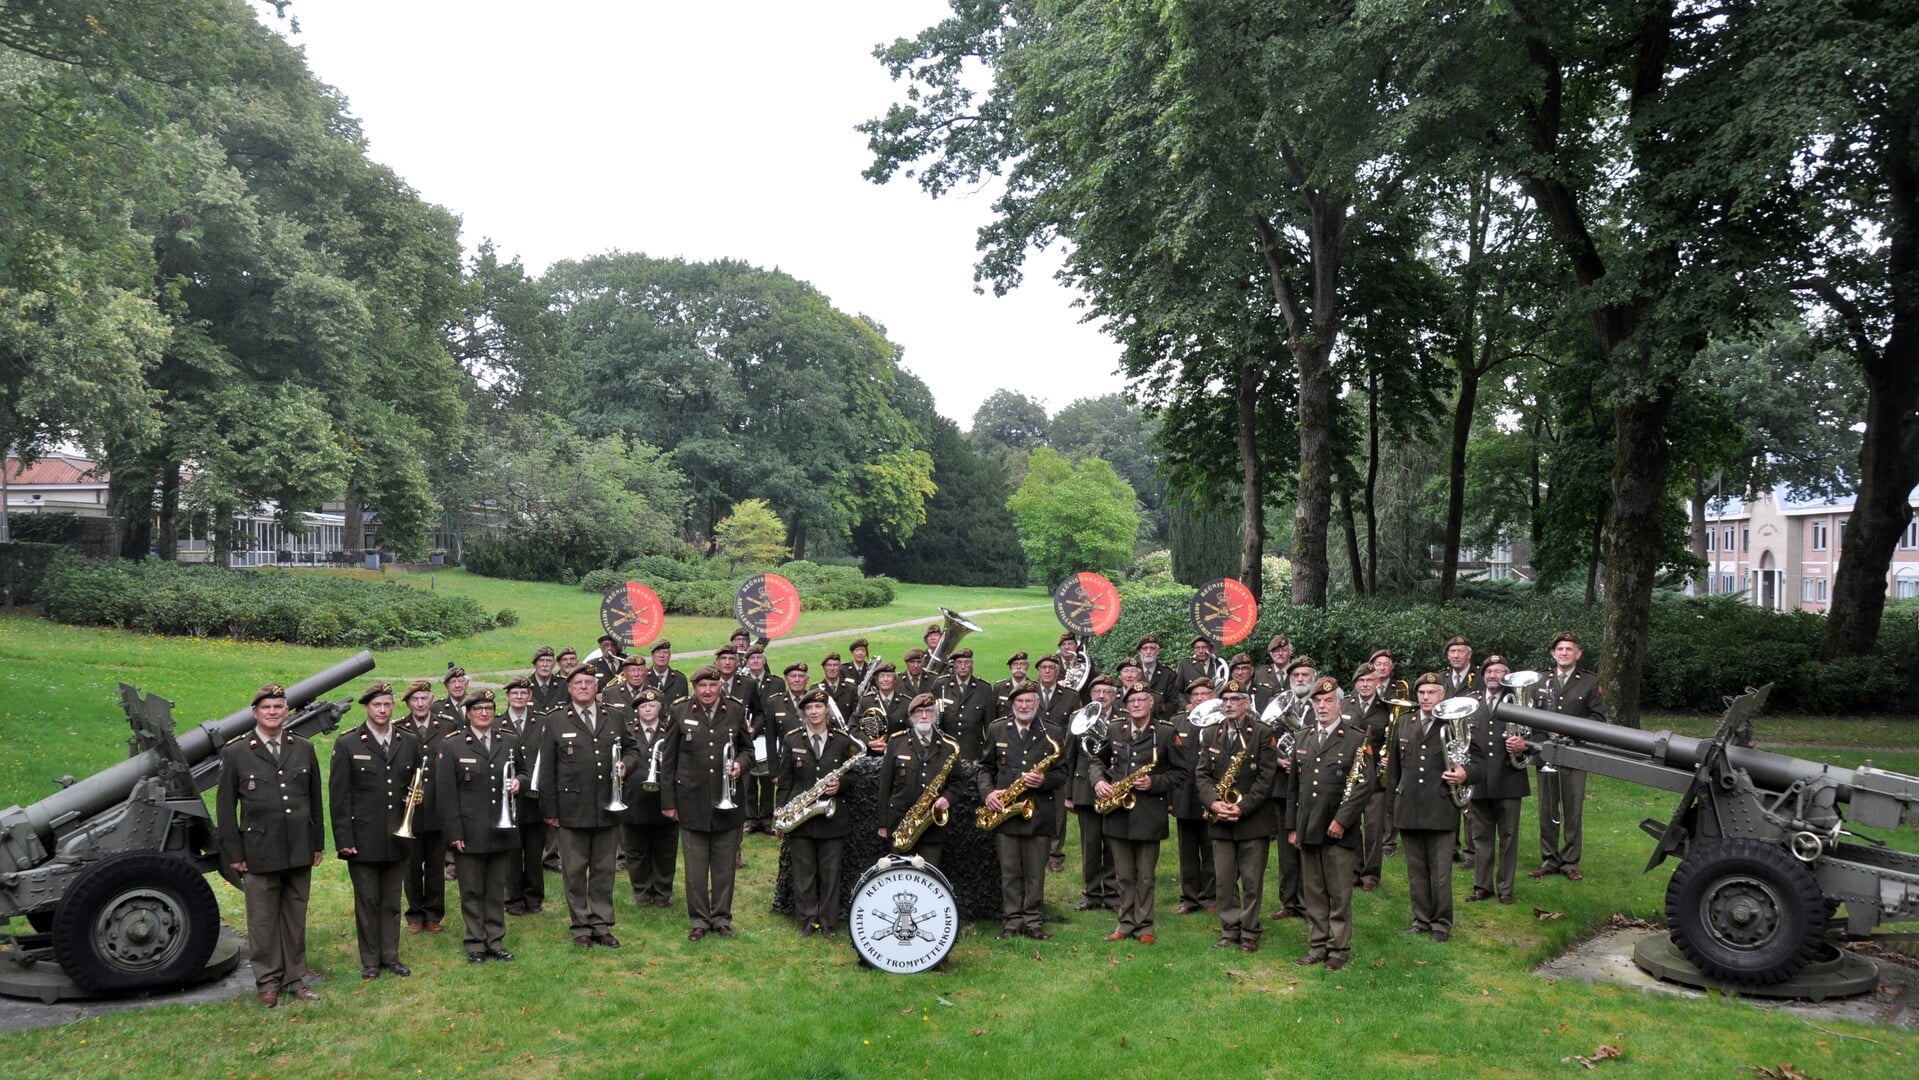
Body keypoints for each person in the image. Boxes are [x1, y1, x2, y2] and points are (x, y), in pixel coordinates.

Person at [216, 684, 324, 1007]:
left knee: (295, 917)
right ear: (255, 713)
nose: (273, 712)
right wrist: (234, 854)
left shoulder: (302, 748)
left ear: (286, 711)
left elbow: (314, 799)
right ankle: (267, 981)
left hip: (299, 848)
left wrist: (317, 843)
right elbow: (225, 809)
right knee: (262, 922)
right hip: (258, 851)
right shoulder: (237, 752)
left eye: (279, 706)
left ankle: (295, 978)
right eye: (267, 708)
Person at [330, 682, 422, 979]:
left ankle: (391, 956)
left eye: (387, 704)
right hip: (363, 838)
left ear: (393, 706)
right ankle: (370, 960)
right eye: (377, 705)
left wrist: (417, 797)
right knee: (368, 901)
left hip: (397, 835)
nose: (383, 710)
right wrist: (344, 839)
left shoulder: (408, 741)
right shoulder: (349, 744)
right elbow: (339, 797)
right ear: (367, 708)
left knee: (392, 901)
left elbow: (420, 781)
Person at [539, 665, 631, 948]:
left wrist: (627, 765)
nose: (583, 687)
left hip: (606, 806)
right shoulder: (555, 721)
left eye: (588, 683)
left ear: (596, 687)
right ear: (569, 688)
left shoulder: (613, 716)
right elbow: (547, 770)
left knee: (604, 869)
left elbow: (633, 749)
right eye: (578, 683)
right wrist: (550, 811)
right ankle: (580, 925)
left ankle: (601, 924)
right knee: (575, 871)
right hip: (571, 808)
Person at [1289, 677, 1373, 972]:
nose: (1322, 706)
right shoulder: (1303, 737)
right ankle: (1317, 946)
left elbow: (1364, 786)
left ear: (1340, 703)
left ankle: (1338, 949)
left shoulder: (1355, 739)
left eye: (1328, 701)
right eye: (1317, 702)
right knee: (1313, 892)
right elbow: (1293, 789)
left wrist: (1342, 820)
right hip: (1308, 828)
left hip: (1339, 831)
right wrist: (1292, 827)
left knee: (1339, 893)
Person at [663, 665, 750, 940]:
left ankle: (722, 918)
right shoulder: (680, 711)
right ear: (694, 688)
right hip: (691, 801)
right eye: (702, 686)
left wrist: (740, 764)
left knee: (724, 867)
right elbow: (669, 759)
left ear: (720, 687)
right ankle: (699, 920)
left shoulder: (735, 710)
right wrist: (669, 801)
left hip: (728, 801)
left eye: (713, 686)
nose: (708, 691)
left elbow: (748, 748)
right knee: (695, 869)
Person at [1091, 684, 1182, 944]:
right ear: (1125, 705)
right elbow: (1097, 761)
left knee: (1145, 876)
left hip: (1149, 813)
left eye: (1142, 699)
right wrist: (1098, 781)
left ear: (1151, 703)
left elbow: (1180, 773)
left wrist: (1154, 783)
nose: (1137, 704)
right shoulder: (1113, 729)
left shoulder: (1165, 733)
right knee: (1124, 874)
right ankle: (1125, 923)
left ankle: (1145, 926)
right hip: (1118, 813)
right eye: (1132, 701)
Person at [439, 690, 525, 963]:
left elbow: (523, 770)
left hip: (501, 828)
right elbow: (446, 795)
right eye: (478, 709)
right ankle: (475, 943)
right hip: (469, 831)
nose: (484, 713)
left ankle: (495, 940)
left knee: (496, 888)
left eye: (489, 708)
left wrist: (519, 783)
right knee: (472, 890)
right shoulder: (453, 745)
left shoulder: (509, 740)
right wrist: (454, 834)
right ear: (468, 714)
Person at [1197, 680, 1282, 954]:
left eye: (1236, 698)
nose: (1229, 704)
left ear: (1247, 703)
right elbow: (1201, 775)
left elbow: (1267, 778)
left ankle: (1250, 931)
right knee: (1223, 879)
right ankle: (1229, 929)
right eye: (1226, 699)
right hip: (1220, 818)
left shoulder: (1262, 732)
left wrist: (1242, 807)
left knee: (1251, 880)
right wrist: (1213, 803)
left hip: (1252, 820)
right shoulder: (1211, 733)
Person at [977, 681, 1066, 940]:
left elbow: (1062, 772)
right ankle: (1012, 921)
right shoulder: (997, 729)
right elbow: (985, 768)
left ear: (1037, 704)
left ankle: (1033, 921)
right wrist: (989, 793)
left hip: (1038, 813)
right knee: (1010, 872)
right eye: (1020, 702)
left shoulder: (1052, 731)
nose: (1024, 706)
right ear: (1012, 704)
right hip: (1005, 812)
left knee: (1035, 873)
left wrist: (1044, 781)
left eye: (1029, 701)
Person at [776, 689, 862, 938]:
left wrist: (841, 785)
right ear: (804, 712)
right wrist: (780, 817)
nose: (814, 712)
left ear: (826, 710)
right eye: (810, 708)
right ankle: (807, 921)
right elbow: (785, 782)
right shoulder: (792, 740)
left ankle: (828, 923)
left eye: (819, 707)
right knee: (804, 874)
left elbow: (854, 776)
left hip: (831, 818)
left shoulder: (843, 740)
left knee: (830, 874)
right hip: (801, 818)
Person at [1388, 673, 1464, 941]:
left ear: (1442, 695)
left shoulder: (1454, 723)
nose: (1426, 697)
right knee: (1416, 871)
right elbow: (1395, 770)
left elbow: (1475, 762)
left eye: (1432, 692)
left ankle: (1441, 924)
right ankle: (1421, 920)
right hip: (1409, 807)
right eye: (1421, 693)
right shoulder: (1404, 722)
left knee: (1440, 874)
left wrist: (1465, 774)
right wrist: (1391, 806)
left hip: (1440, 807)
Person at [1532, 631, 1604, 882]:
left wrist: (1569, 730)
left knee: (1572, 810)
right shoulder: (1539, 681)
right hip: (1546, 752)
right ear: (1553, 653)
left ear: (1578, 654)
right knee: (1547, 808)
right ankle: (1549, 859)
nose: (1564, 653)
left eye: (1569, 649)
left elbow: (1597, 719)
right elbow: (1529, 717)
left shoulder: (1589, 682)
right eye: (1560, 649)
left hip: (1574, 753)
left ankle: (1570, 862)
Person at [1466, 655, 1527, 905]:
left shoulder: (1520, 703)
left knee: (1509, 837)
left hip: (1509, 779)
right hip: (1479, 780)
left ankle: (1506, 888)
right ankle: (1482, 886)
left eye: (1499, 671)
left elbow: (1539, 736)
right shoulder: (1471, 703)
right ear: (1483, 676)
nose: (1493, 675)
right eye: (1489, 671)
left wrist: (1525, 745)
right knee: (1480, 836)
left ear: (1507, 676)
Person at [876, 694, 963, 868]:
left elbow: (958, 783)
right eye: (919, 712)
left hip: (932, 828)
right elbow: (885, 785)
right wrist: (883, 824)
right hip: (900, 824)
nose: (924, 716)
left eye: (929, 711)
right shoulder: (896, 742)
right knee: (899, 879)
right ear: (911, 716)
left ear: (935, 715)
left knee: (929, 878)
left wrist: (947, 798)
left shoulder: (948, 746)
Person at [397, 679, 451, 933]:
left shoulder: (448, 726)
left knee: (435, 866)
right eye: (415, 699)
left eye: (424, 698)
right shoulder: (398, 728)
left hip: (439, 809)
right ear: (408, 703)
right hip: (411, 811)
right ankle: (415, 914)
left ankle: (434, 914)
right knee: (411, 866)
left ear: (432, 700)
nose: (420, 703)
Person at [619, 689, 679, 907]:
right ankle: (642, 891)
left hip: (664, 799)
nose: (647, 709)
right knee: (636, 850)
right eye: (643, 706)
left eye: (652, 706)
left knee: (666, 849)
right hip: (634, 799)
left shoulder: (671, 730)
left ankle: (663, 893)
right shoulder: (627, 732)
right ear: (636, 710)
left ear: (660, 708)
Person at [1065, 675, 1120, 913]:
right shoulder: (1077, 718)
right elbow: (1068, 757)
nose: (1101, 696)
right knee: (1090, 843)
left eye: (1107, 692)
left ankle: (1112, 892)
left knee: (1113, 841)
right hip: (1085, 788)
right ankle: (1091, 893)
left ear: (1115, 695)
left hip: (1114, 787)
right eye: (1097, 691)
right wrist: (1068, 794)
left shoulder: (1124, 719)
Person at [1168, 678, 1218, 914]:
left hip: (1214, 794)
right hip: (1185, 795)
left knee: (1212, 847)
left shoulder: (1222, 721)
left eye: (1205, 694)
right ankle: (1189, 898)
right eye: (1195, 695)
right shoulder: (1178, 722)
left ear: (1214, 696)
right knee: (1187, 850)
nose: (1199, 698)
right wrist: (1170, 798)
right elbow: (1169, 762)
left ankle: (1211, 897)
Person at [499, 676, 547, 916]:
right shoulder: (497, 722)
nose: (519, 697)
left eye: (523, 693)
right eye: (514, 693)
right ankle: (513, 899)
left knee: (535, 852)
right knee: (511, 854)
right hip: (509, 799)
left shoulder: (542, 722)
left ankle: (534, 897)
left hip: (535, 799)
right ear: (507, 697)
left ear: (530, 697)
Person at [1343, 664, 1390, 891]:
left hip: (1376, 777)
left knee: (1373, 827)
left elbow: (1394, 739)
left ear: (1377, 683)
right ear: (1355, 684)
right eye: (1361, 681)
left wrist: (1389, 757)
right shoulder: (1344, 705)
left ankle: (1370, 875)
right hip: (1350, 776)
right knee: (1351, 823)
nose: (1365, 685)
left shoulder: (1387, 709)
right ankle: (1353, 871)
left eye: (1370, 681)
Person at [935, 647, 995, 761]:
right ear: (954, 665)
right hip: (946, 750)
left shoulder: (984, 688)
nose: (963, 666)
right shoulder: (941, 685)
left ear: (972, 664)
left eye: (967, 663)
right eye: (959, 663)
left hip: (973, 751)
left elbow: (989, 726)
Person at [1136, 635, 1177, 719]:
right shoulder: (1132, 673)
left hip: (1160, 722)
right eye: (1145, 648)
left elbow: (1174, 702)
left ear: (1158, 651)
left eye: (1152, 648)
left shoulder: (1168, 674)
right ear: (1139, 652)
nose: (1148, 651)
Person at [1174, 635, 1218, 709]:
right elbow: (1177, 691)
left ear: (1210, 648)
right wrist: (1186, 706)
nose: (1200, 651)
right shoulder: (1185, 664)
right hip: (1193, 709)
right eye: (1197, 648)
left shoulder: (1218, 664)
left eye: (1204, 647)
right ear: (1194, 650)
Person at [641, 640, 689, 705]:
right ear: (652, 656)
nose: (662, 656)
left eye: (665, 652)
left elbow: (685, 707)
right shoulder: (643, 679)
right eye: (658, 652)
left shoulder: (680, 679)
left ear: (669, 656)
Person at [992, 651, 1032, 719]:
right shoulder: (999, 688)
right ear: (1010, 667)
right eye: (1015, 664)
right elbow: (992, 715)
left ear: (1027, 667)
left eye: (1022, 664)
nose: (1018, 667)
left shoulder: (1034, 687)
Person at [529, 646, 568, 712]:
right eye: (541, 661)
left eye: (549, 661)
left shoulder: (564, 685)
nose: (545, 664)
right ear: (535, 664)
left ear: (554, 664)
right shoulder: (524, 686)